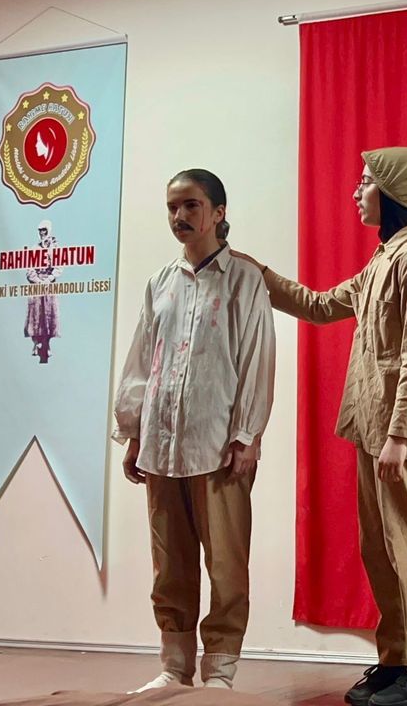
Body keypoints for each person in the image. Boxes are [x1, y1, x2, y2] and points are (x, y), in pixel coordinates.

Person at [254, 147, 407, 706]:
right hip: (375, 430)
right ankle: (396, 661)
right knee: (381, 551)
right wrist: (259, 274)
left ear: (394, 194)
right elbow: (322, 306)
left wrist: (400, 436)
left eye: (366, 182)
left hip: (402, 436)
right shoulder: (385, 259)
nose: (355, 192)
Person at [112, 168, 276, 692]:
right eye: (172, 207)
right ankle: (174, 668)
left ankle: (220, 672)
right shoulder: (159, 283)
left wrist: (247, 433)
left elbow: (257, 358)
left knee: (226, 564)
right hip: (162, 445)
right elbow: (143, 360)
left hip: (219, 446)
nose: (179, 216)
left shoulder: (243, 280)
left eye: (191, 205)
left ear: (218, 212)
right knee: (169, 564)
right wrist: (134, 431)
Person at [25, 219, 60, 363]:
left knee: (49, 315)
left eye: (44, 230)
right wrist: (38, 281)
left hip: (49, 285)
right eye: (40, 230)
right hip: (37, 285)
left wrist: (49, 279)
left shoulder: (55, 248)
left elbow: (59, 267)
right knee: (35, 315)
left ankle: (47, 343)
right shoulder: (34, 248)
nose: (42, 233)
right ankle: (36, 342)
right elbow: (29, 270)